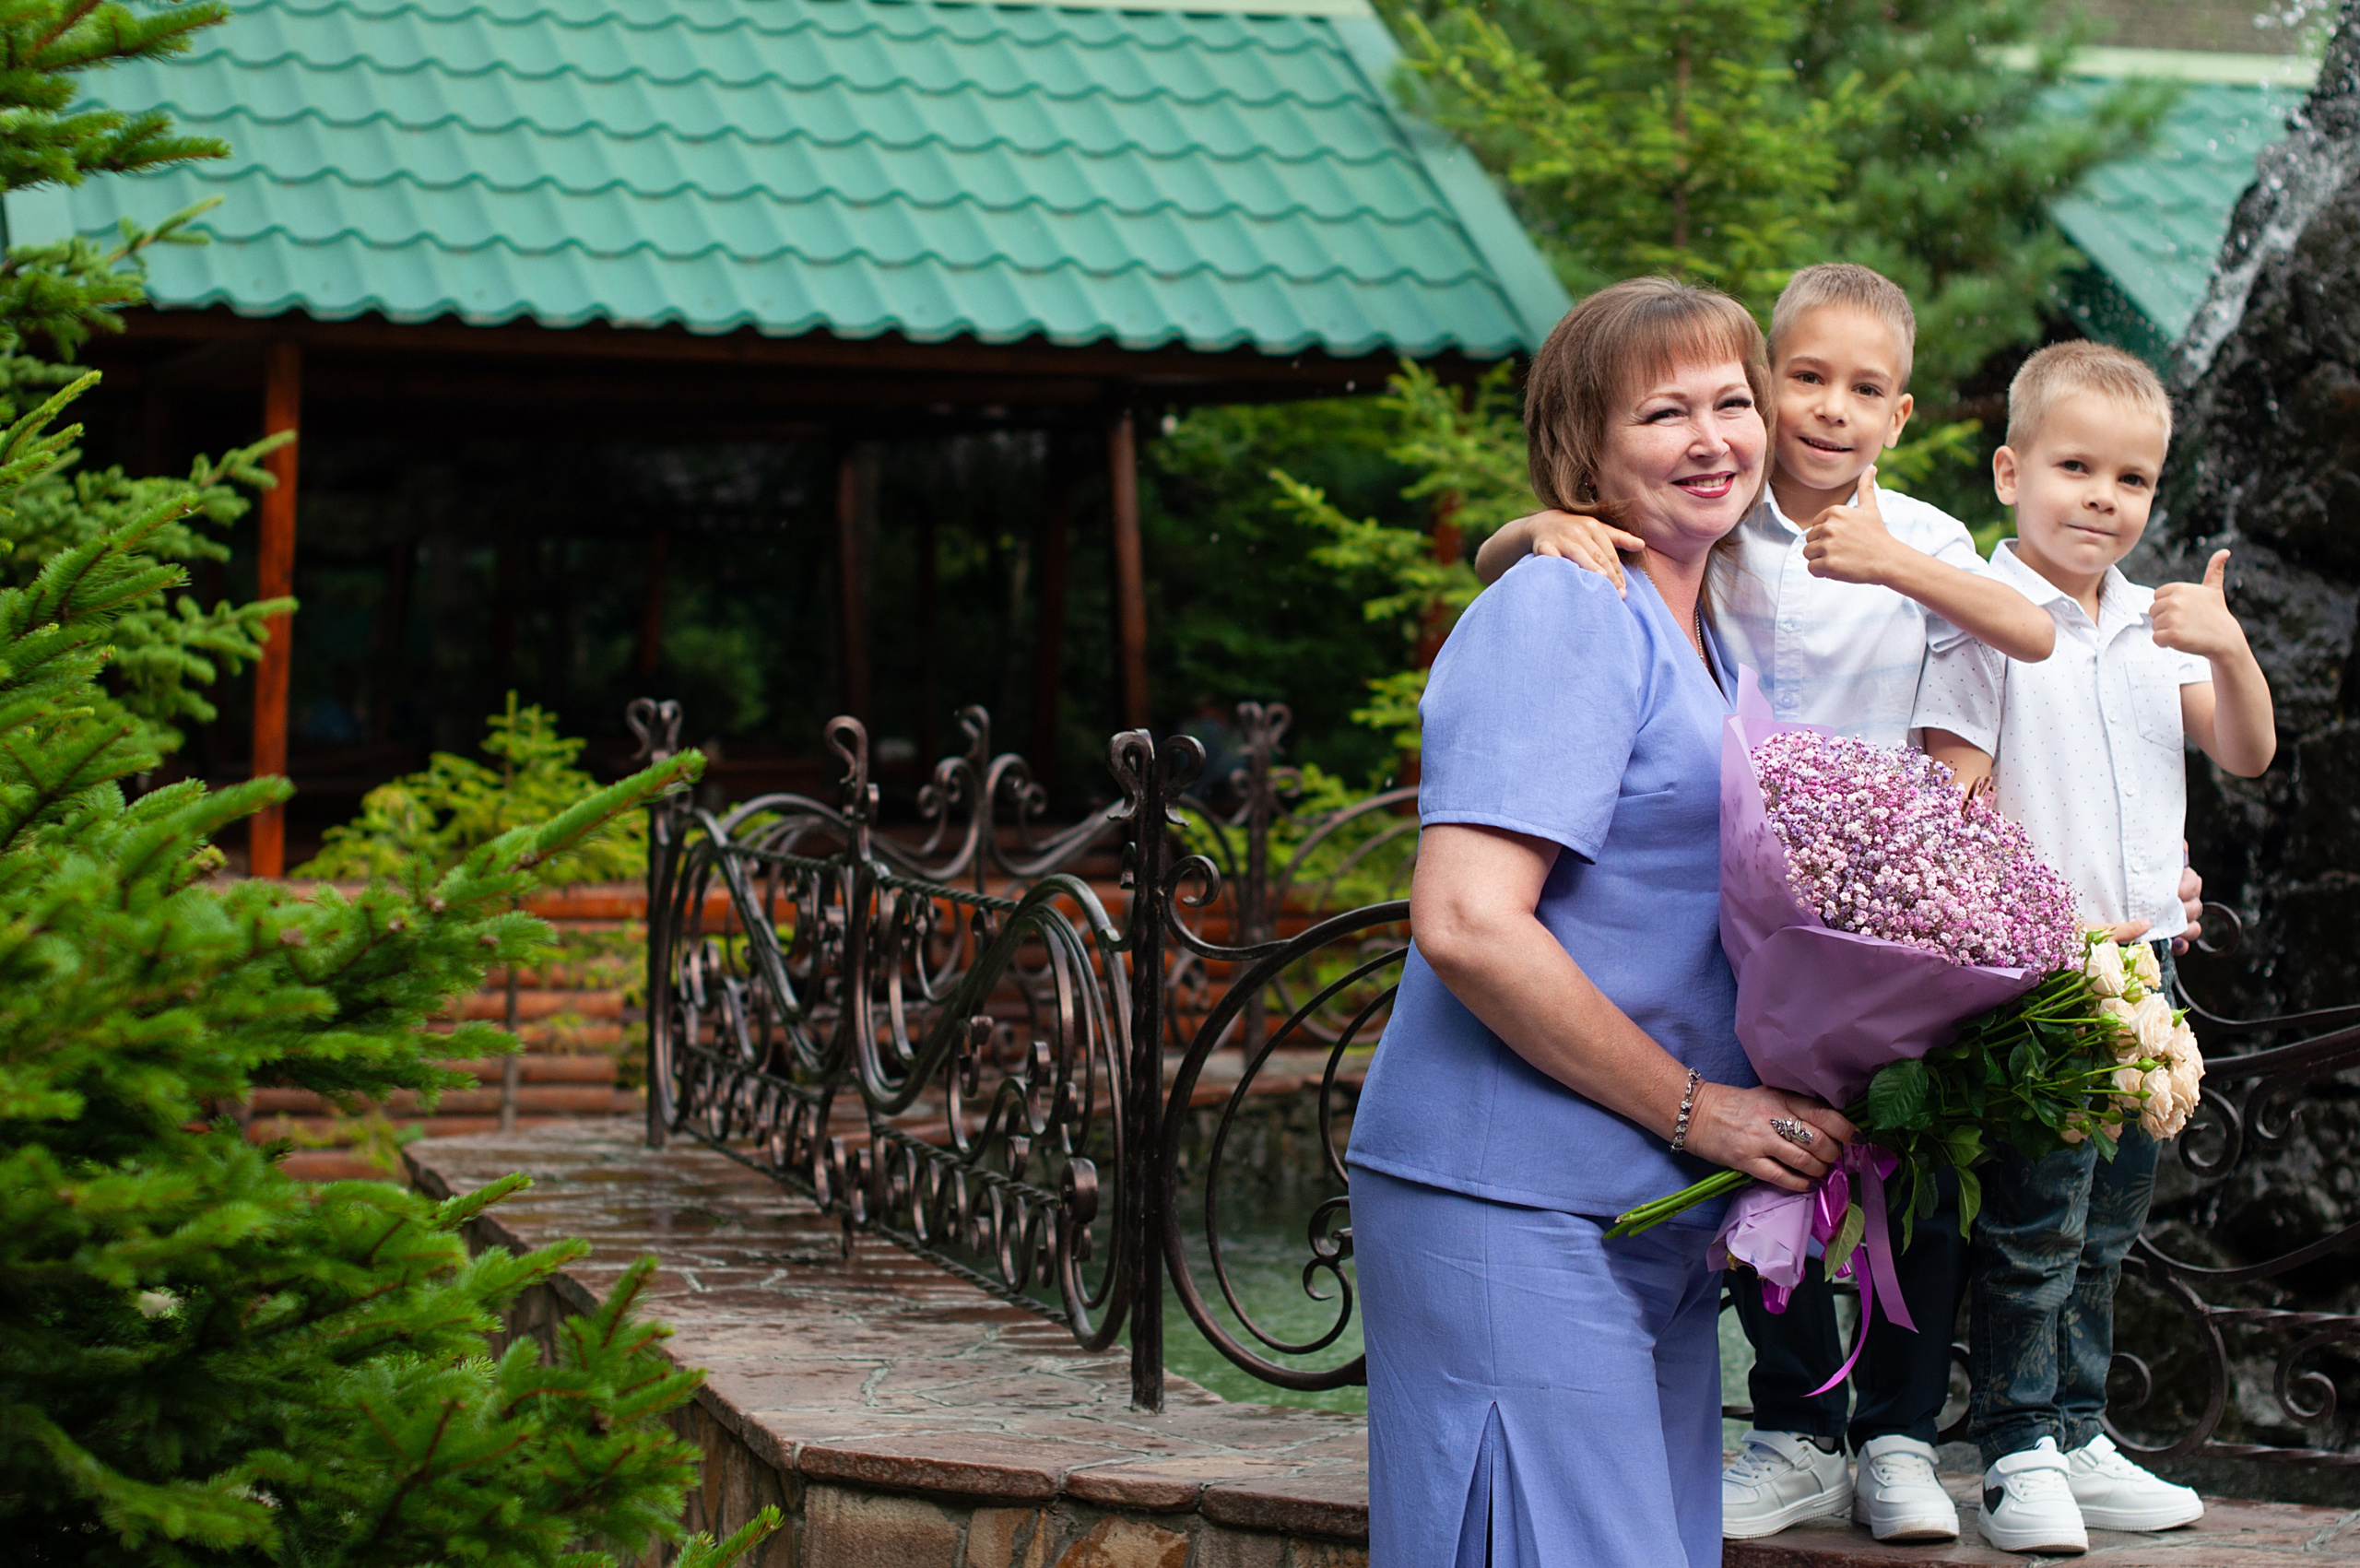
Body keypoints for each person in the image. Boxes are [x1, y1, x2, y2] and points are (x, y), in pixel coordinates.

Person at [1472, 262, 2050, 1546]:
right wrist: (1522, 534)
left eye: (1867, 390)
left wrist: (1898, 563)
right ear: (1772, 393)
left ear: (1903, 416)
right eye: (1805, 380)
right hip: (1753, 906)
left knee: (1915, 1164)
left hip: (1893, 902)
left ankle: (1902, 1430)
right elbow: (1574, 543)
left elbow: (2023, 644)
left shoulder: (1930, 540)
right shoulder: (1721, 523)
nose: (1832, 410)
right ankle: (1796, 1417)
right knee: (1772, 1160)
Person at [1345, 276, 1856, 1568]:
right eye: (1662, 413)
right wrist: (1706, 1109)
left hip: (1649, 1215)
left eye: (1733, 402)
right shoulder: (1566, 605)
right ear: (1584, 450)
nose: (1712, 438)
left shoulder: (1717, 619)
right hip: (1511, 1194)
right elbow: (1467, 922)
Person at [1913, 340, 2273, 1554]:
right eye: (2075, 467)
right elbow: (1951, 799)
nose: (2103, 497)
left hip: (2150, 970)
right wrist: (2030, 924)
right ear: (2011, 471)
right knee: (2032, 1221)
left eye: (2132, 478)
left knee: (2113, 1218)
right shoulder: (1987, 624)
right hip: (2041, 978)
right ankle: (2014, 1451)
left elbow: (2246, 751)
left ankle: (2077, 1428)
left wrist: (2226, 644)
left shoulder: (2154, 624)